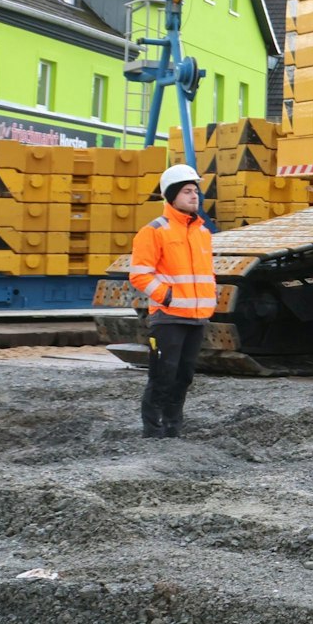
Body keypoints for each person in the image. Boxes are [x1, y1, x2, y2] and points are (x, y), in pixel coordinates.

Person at [129, 164, 217, 438]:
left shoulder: (202, 233)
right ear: (171, 196)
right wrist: (166, 296)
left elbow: (205, 273)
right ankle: (152, 431)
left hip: (196, 317)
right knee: (162, 376)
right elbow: (140, 274)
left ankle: (172, 428)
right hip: (168, 319)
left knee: (184, 377)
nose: (195, 197)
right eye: (188, 191)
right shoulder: (154, 231)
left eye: (196, 192)